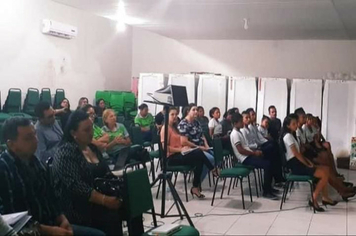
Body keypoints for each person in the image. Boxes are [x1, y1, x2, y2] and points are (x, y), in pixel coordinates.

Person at [0, 117, 105, 236]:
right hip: (31, 232)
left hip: (53, 225)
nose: (36, 140)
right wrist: (49, 231)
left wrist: (62, 219)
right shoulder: (4, 169)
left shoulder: (35, 162)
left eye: (35, 135)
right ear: (11, 144)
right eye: (28, 138)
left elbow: (51, 197)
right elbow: (10, 221)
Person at [52, 110, 143, 236]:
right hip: (79, 206)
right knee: (112, 216)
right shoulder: (65, 153)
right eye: (86, 130)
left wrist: (120, 189)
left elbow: (106, 173)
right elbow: (76, 186)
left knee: (134, 206)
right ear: (73, 133)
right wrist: (105, 200)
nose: (91, 133)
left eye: (91, 128)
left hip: (100, 198)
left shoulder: (93, 148)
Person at [281, 114, 355, 211]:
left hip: (298, 162)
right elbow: (297, 154)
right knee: (324, 174)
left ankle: (327, 197)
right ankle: (314, 198)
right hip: (295, 165)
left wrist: (307, 161)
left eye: (296, 123)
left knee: (326, 169)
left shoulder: (292, 135)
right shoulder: (287, 137)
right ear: (288, 126)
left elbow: (300, 153)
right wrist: (307, 164)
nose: (296, 125)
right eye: (293, 124)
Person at [161, 107, 219, 198]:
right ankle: (213, 169)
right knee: (199, 152)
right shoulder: (165, 128)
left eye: (176, 114)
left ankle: (195, 187)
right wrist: (181, 149)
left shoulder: (175, 128)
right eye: (172, 114)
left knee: (199, 160)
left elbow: (181, 142)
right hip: (171, 158)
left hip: (180, 153)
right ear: (167, 116)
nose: (175, 116)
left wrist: (185, 148)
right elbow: (165, 148)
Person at [230, 113, 279, 200]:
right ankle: (266, 191)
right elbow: (241, 150)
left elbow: (246, 147)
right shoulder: (235, 134)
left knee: (269, 159)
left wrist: (255, 151)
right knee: (267, 164)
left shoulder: (239, 132)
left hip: (248, 154)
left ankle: (269, 188)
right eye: (240, 122)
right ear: (235, 123)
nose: (242, 123)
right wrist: (254, 153)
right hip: (244, 158)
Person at [241, 110, 285, 186]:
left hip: (257, 147)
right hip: (253, 151)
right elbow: (248, 145)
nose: (252, 117)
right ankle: (275, 181)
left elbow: (259, 139)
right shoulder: (244, 130)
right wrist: (258, 146)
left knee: (274, 148)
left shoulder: (252, 127)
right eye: (248, 117)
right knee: (272, 153)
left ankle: (278, 178)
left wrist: (266, 141)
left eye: (254, 115)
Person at [178, 104, 215, 182]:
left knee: (216, 157)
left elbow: (202, 135)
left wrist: (206, 145)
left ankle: (198, 178)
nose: (196, 112)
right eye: (194, 110)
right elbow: (184, 142)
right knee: (210, 159)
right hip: (193, 149)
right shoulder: (183, 123)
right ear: (188, 111)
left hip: (202, 147)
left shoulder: (196, 122)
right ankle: (198, 182)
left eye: (197, 110)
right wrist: (199, 147)